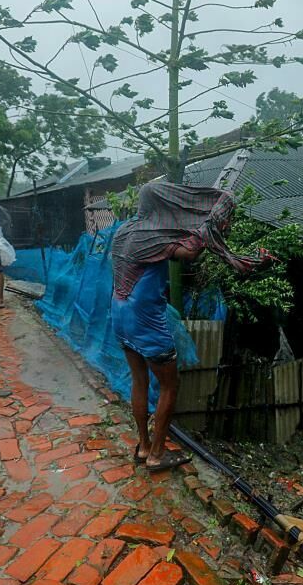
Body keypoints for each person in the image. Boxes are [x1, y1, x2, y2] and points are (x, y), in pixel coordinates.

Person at [111, 182, 271, 472]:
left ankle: (144, 446)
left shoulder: (124, 231)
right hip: (144, 318)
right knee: (170, 385)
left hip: (119, 313)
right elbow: (190, 254)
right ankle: (158, 454)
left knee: (139, 380)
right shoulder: (152, 235)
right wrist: (207, 227)